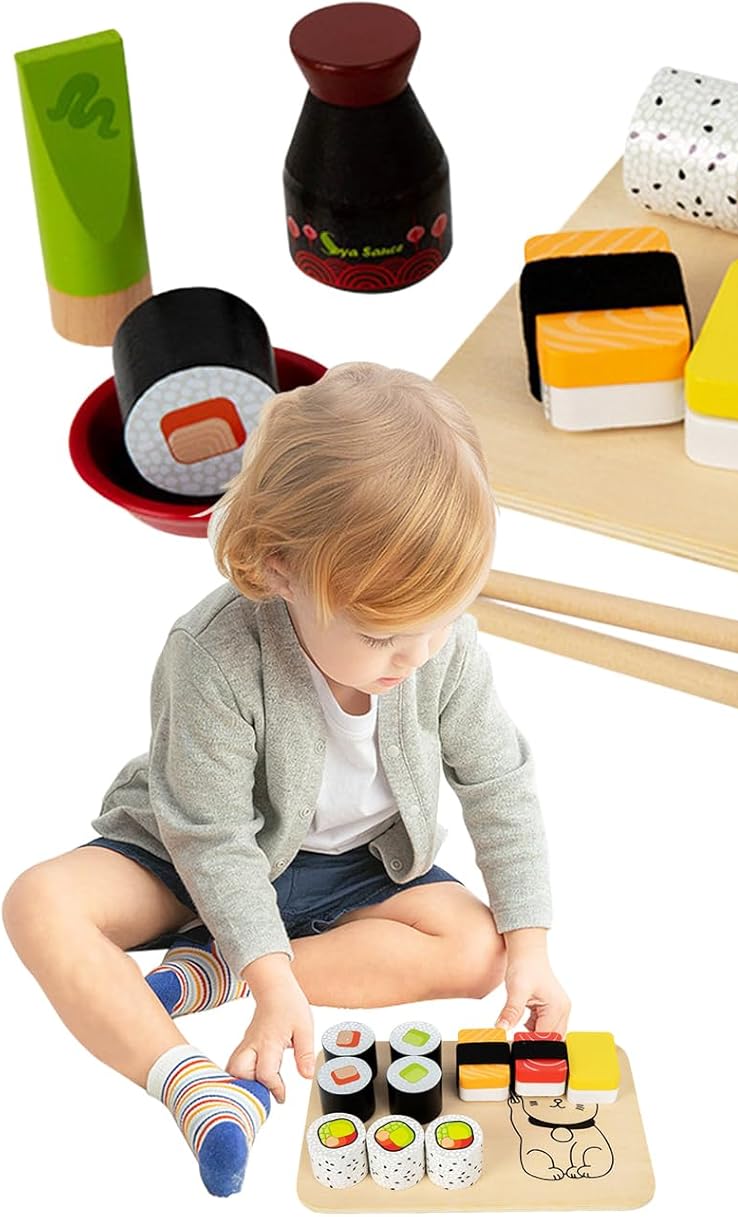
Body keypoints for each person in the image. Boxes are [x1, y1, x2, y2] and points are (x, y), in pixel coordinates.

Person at [4, 362, 567, 1196]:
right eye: (381, 635)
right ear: (279, 568)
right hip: (195, 852)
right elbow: (211, 838)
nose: (415, 656)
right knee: (37, 902)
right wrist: (275, 980)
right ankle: (189, 1084)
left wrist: (532, 946)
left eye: (441, 622)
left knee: (481, 949)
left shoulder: (439, 647)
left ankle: (223, 968)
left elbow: (498, 782)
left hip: (353, 870)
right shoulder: (212, 654)